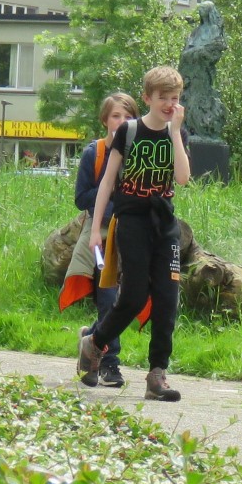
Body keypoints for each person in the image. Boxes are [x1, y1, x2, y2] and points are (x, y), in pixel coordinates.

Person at [76, 69, 191, 402]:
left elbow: (182, 178)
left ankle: (157, 374)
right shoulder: (128, 131)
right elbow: (106, 184)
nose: (170, 104)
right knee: (134, 296)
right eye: (163, 98)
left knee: (168, 299)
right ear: (147, 98)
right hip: (132, 221)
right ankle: (95, 343)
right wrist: (97, 229)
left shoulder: (176, 133)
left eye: (175, 98)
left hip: (164, 222)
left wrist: (176, 133)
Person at [69, 93, 137, 388]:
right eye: (116, 117)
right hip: (101, 232)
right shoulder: (93, 153)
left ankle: (91, 338)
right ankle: (110, 364)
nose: (122, 122)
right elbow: (80, 198)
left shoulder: (140, 151)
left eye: (128, 117)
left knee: (128, 299)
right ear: (105, 120)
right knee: (109, 298)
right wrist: (107, 187)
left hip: (132, 231)